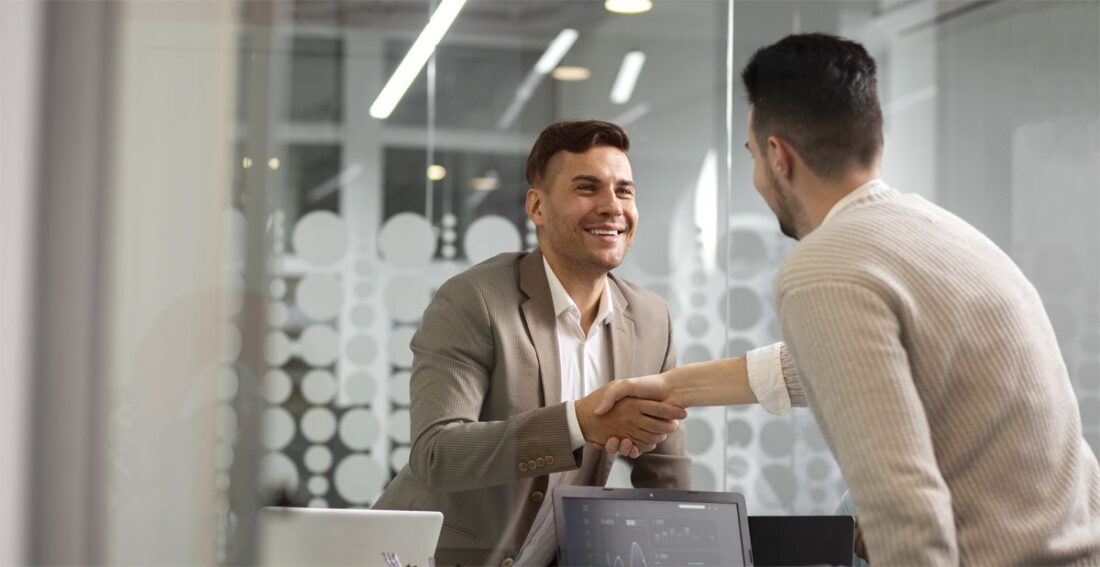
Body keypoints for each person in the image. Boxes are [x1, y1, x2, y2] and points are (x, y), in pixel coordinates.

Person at [590, 33, 1100, 564]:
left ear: (777, 156)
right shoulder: (940, 233)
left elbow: (902, 506)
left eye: (752, 157)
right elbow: (840, 361)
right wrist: (673, 387)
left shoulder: (825, 266)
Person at [373, 120, 691, 567]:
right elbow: (437, 453)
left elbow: (664, 474)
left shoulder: (651, 319)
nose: (611, 206)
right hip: (425, 558)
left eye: (624, 191)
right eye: (587, 188)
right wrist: (578, 423)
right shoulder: (475, 300)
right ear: (537, 206)